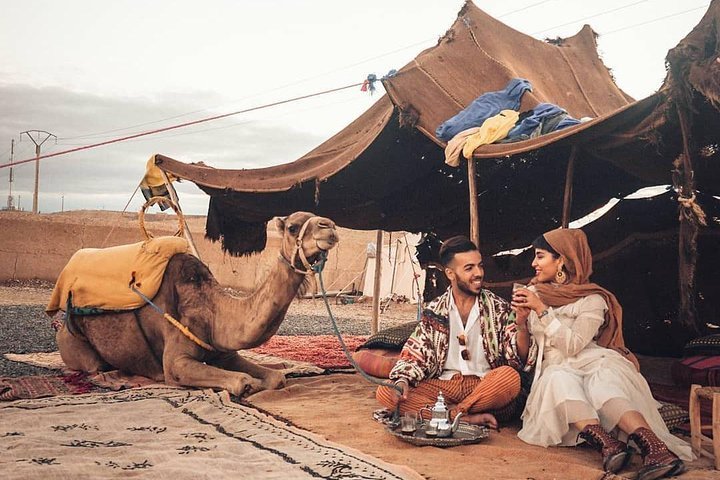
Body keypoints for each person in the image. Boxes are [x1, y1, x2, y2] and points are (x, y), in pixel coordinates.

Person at [512, 228, 691, 480]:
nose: (533, 264)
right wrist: (521, 323)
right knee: (558, 379)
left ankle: (657, 450)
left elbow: (573, 345)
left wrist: (541, 310)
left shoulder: (593, 299)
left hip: (589, 359)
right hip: (555, 368)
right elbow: (524, 355)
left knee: (604, 383)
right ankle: (609, 445)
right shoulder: (535, 294)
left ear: (561, 259)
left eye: (540, 256)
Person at [376, 235, 536, 429]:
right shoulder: (434, 310)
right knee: (386, 390)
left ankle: (450, 414)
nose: (478, 273)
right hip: (445, 387)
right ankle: (465, 416)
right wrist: (402, 380)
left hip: (485, 386)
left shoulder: (498, 308)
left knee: (509, 378)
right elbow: (414, 354)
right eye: (469, 268)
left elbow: (519, 359)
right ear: (450, 274)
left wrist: (521, 325)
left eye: (480, 266)